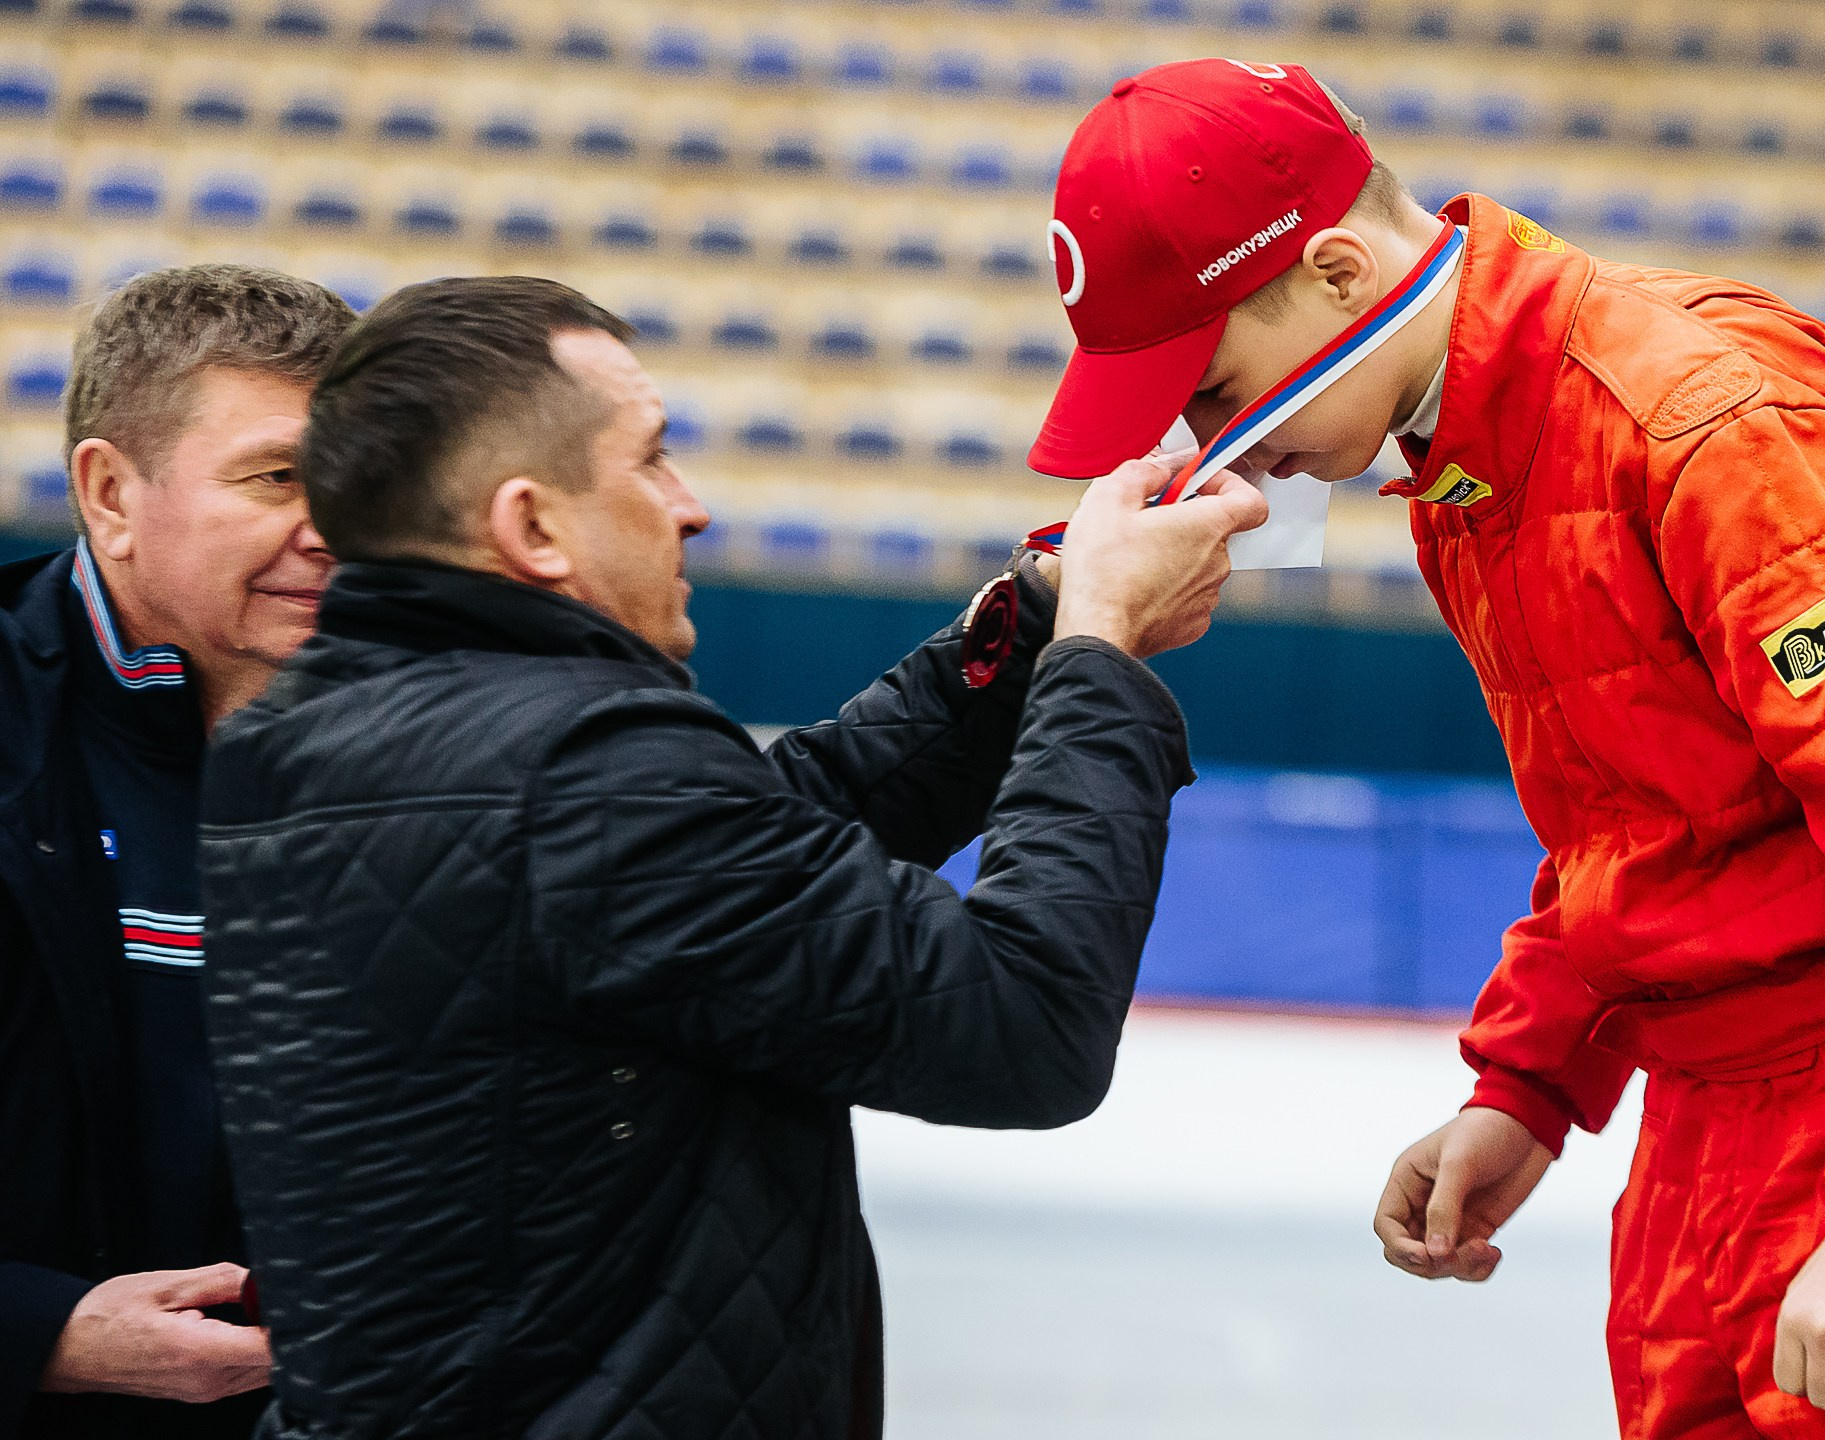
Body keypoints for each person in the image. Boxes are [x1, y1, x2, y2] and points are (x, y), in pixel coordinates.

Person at [1028, 61, 1825, 1439]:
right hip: (1713, 1113)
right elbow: (1630, 822)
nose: (1218, 446)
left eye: (1216, 390)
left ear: (1332, 271)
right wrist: (1532, 1084)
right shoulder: (1467, 470)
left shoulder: (1700, 422)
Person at [196, 276, 1266, 1440]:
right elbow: (1025, 1024)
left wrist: (1029, 624)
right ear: (532, 526)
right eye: (649, 461)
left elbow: (758, 854)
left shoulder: (308, 739)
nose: (689, 505)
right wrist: (1100, 655)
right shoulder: (581, 773)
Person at [0, 263, 353, 1440]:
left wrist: (953, 685)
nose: (333, 528)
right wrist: (40, 1333)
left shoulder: (426, 741)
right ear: (109, 493)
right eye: (276, 477)